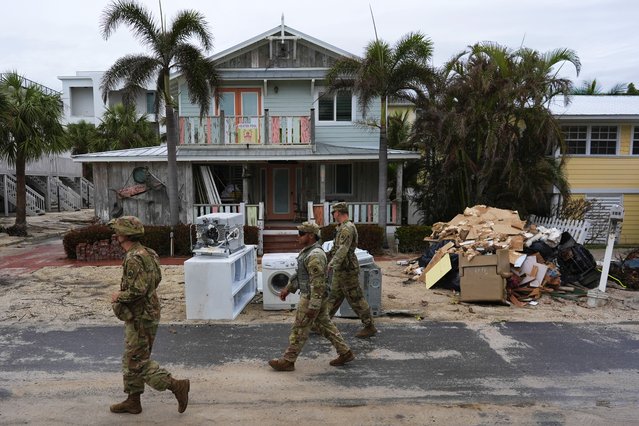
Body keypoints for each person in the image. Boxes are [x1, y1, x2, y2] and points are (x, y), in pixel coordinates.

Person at [108, 216, 190, 415]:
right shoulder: (148, 253)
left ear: (125, 234)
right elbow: (156, 280)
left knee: (137, 362)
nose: (115, 234)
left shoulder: (134, 257)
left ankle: (175, 385)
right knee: (132, 357)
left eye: (118, 231)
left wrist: (119, 296)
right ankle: (133, 401)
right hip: (147, 312)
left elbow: (138, 290)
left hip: (140, 316)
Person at [268, 221, 355, 371]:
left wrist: (313, 305)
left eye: (301, 234)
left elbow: (318, 283)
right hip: (314, 297)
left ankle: (288, 360)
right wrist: (288, 288)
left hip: (311, 297)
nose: (298, 237)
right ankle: (345, 352)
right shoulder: (308, 251)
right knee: (325, 326)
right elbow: (302, 275)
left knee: (299, 329)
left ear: (311, 235)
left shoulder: (315, 255)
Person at [326, 202, 377, 338]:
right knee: (334, 297)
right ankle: (323, 323)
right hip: (341, 269)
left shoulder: (347, 228)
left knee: (356, 298)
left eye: (333, 212)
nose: (333, 215)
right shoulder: (341, 227)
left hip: (347, 270)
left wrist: (332, 264)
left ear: (338, 212)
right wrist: (327, 257)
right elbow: (337, 248)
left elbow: (343, 250)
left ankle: (369, 326)